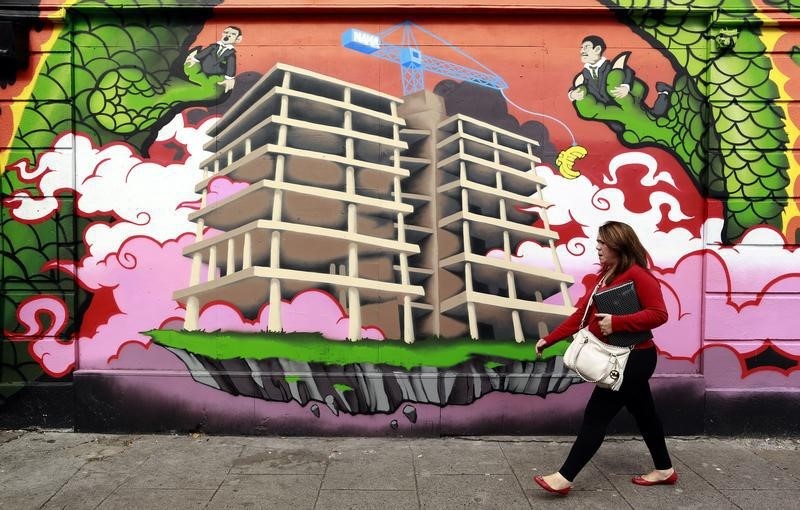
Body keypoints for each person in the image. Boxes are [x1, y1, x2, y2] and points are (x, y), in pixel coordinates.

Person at [532, 221, 676, 496]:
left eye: (603, 243)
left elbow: (659, 314)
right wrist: (550, 338)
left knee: (596, 415)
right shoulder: (607, 275)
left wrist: (618, 322)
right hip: (623, 358)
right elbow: (582, 315)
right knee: (645, 414)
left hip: (632, 359)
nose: (597, 247)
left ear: (619, 245)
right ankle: (664, 470)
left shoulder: (639, 275)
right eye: (597, 242)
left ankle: (564, 478)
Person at [568, 35, 671, 116]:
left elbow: (627, 72)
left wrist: (626, 86)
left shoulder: (611, 66)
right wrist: (572, 94)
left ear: (597, 49)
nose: (582, 51)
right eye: (581, 48)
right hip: (609, 109)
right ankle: (663, 93)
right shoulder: (584, 74)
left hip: (624, 101)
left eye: (586, 47)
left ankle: (663, 93)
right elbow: (578, 86)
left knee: (650, 115)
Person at [185, 26, 243, 93]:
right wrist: (195, 59)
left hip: (216, 76)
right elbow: (204, 53)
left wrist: (229, 78)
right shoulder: (213, 46)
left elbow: (231, 66)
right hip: (202, 72)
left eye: (233, 34)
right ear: (222, 34)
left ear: (238, 39)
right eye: (226, 32)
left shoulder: (231, 54)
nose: (228, 35)